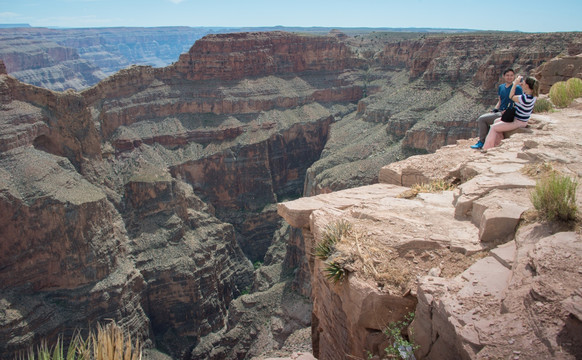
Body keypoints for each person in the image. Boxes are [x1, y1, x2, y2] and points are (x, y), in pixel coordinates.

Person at [482, 75, 539, 150]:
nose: (522, 84)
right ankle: (497, 143)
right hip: (519, 119)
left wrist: (515, 84)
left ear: (527, 86)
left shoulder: (524, 98)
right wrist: (521, 85)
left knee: (493, 127)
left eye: (524, 83)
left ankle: (486, 148)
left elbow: (511, 96)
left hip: (518, 122)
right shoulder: (533, 97)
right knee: (496, 121)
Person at [470, 68, 523, 149]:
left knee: (482, 119)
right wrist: (495, 109)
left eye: (511, 75)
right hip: (500, 112)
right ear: (504, 76)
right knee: (487, 117)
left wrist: (509, 110)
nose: (509, 77)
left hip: (509, 114)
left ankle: (481, 142)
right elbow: (500, 101)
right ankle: (485, 140)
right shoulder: (501, 87)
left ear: (514, 77)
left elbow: (519, 102)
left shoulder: (517, 88)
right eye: (507, 75)